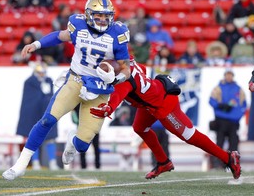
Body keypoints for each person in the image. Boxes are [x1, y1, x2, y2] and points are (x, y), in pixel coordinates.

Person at [2, 0, 131, 181]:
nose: (103, 20)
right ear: (88, 15)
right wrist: (36, 44)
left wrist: (116, 78)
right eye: (98, 15)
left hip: (100, 89)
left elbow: (125, 67)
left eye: (106, 16)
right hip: (76, 81)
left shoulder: (117, 34)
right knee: (47, 120)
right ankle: (20, 164)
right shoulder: (78, 25)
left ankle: (73, 140)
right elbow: (60, 36)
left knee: (83, 144)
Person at [90, 57, 241, 180]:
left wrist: (108, 108)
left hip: (163, 103)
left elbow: (116, 98)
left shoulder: (123, 84)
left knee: (189, 135)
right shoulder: (126, 61)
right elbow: (141, 68)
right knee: (139, 128)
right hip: (152, 99)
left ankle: (228, 158)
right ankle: (163, 162)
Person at [16, 62, 59, 170]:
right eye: (39, 72)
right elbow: (29, 101)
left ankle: (52, 162)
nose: (41, 75)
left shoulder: (49, 80)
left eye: (42, 72)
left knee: (51, 139)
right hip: (33, 114)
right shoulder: (29, 82)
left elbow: (51, 97)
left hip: (46, 113)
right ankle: (35, 162)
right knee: (34, 138)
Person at [209, 69, 247, 168]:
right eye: (227, 75)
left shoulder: (238, 89)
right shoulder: (218, 88)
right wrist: (220, 105)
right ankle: (217, 163)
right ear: (225, 76)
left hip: (233, 121)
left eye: (230, 75)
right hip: (221, 120)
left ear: (232, 76)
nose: (229, 77)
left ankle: (233, 163)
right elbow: (211, 101)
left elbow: (244, 105)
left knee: (233, 143)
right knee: (219, 142)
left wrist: (238, 116)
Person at [71, 105, 100, 169]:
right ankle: (92, 166)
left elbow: (74, 119)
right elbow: (74, 119)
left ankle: (91, 166)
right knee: (92, 147)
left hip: (87, 127)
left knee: (94, 147)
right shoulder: (78, 104)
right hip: (88, 127)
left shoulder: (78, 103)